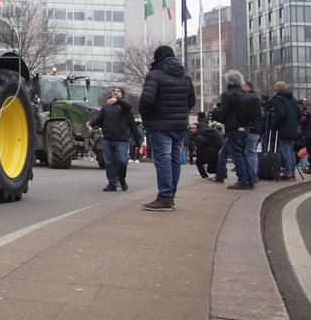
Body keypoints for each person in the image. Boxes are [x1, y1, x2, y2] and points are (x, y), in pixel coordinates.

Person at [138, 45, 196, 211]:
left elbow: (146, 101)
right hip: (179, 124)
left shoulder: (155, 75)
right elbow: (191, 101)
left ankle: (164, 196)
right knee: (174, 159)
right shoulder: (185, 77)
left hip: (159, 124)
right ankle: (170, 194)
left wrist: (146, 115)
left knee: (163, 159)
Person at [210, 70, 255, 190]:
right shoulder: (245, 93)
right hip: (245, 127)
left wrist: (215, 111)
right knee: (243, 153)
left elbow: (222, 113)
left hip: (233, 127)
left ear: (229, 81)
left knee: (237, 154)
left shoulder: (228, 94)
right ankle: (250, 179)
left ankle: (243, 180)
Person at [88, 86, 138, 192]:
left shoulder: (125, 108)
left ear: (122, 95)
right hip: (108, 139)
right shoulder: (106, 108)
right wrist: (91, 123)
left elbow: (132, 121)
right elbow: (99, 119)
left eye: (118, 91)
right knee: (109, 162)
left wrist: (137, 141)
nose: (115, 92)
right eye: (114, 91)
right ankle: (112, 183)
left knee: (122, 161)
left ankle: (122, 179)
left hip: (121, 140)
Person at [270, 81, 301, 180]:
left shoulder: (278, 98)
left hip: (284, 127)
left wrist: (274, 126)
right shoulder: (293, 99)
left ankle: (288, 172)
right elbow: (299, 113)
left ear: (277, 89)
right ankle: (291, 171)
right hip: (293, 127)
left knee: (286, 150)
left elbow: (280, 114)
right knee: (290, 150)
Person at [242, 80, 262, 184]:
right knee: (252, 151)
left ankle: (253, 174)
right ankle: (253, 173)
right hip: (256, 127)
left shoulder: (251, 98)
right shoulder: (255, 97)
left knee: (250, 152)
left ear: (246, 86)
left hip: (252, 128)